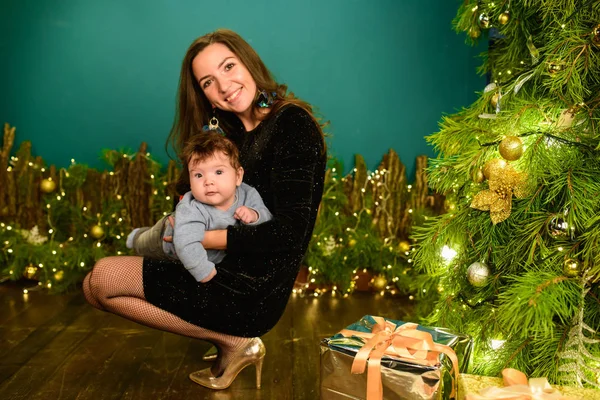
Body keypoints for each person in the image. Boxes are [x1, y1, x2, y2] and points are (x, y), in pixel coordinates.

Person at [82, 28, 326, 391]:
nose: (225, 86)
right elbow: (188, 198)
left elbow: (289, 233)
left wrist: (197, 238)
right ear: (206, 96)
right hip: (215, 266)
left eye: (229, 67)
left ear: (249, 63)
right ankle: (228, 339)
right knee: (91, 287)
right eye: (210, 82)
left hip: (252, 288)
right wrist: (185, 218)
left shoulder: (291, 124)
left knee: (103, 280)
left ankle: (235, 340)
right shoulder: (228, 137)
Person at [126, 132, 272, 283]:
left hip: (204, 254)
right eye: (198, 175)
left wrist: (254, 215)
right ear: (190, 180)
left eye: (219, 172)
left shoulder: (248, 194)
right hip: (166, 240)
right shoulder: (192, 208)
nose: (208, 181)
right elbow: (185, 243)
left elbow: (267, 221)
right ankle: (135, 236)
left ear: (238, 176)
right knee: (144, 243)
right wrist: (203, 271)